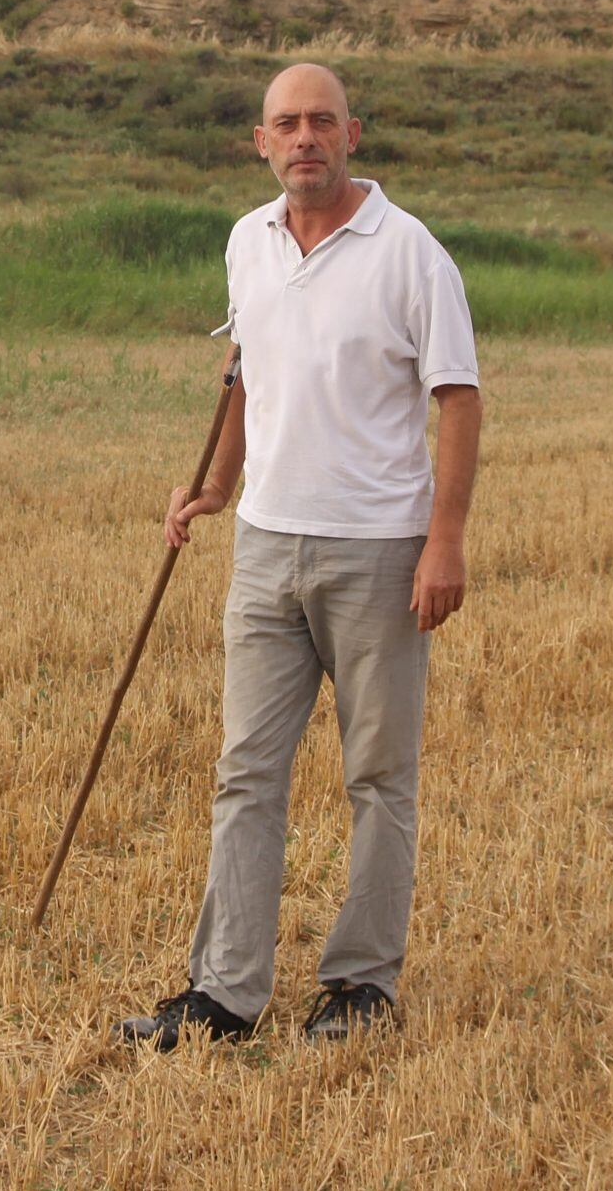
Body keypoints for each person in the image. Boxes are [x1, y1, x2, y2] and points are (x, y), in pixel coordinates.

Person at [117, 62, 482, 1049]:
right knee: (245, 771)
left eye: (322, 121)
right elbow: (243, 374)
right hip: (266, 548)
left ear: (353, 133)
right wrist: (217, 485)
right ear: (260, 140)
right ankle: (223, 995)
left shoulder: (411, 255)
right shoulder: (247, 242)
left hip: (378, 552)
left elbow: (458, 398)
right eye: (288, 123)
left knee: (377, 777)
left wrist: (442, 540)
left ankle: (362, 988)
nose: (305, 137)